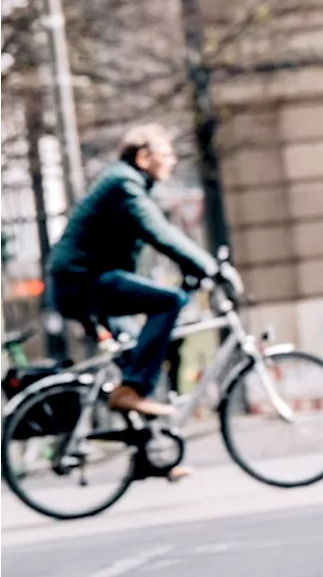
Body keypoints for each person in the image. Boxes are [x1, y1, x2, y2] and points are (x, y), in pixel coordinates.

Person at [47, 124, 218, 420]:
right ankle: (131, 392)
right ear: (142, 157)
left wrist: (190, 267)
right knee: (170, 301)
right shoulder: (124, 185)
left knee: (137, 355)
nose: (172, 160)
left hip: (86, 281)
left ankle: (151, 452)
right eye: (166, 154)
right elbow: (159, 232)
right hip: (84, 282)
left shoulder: (126, 183)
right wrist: (209, 267)